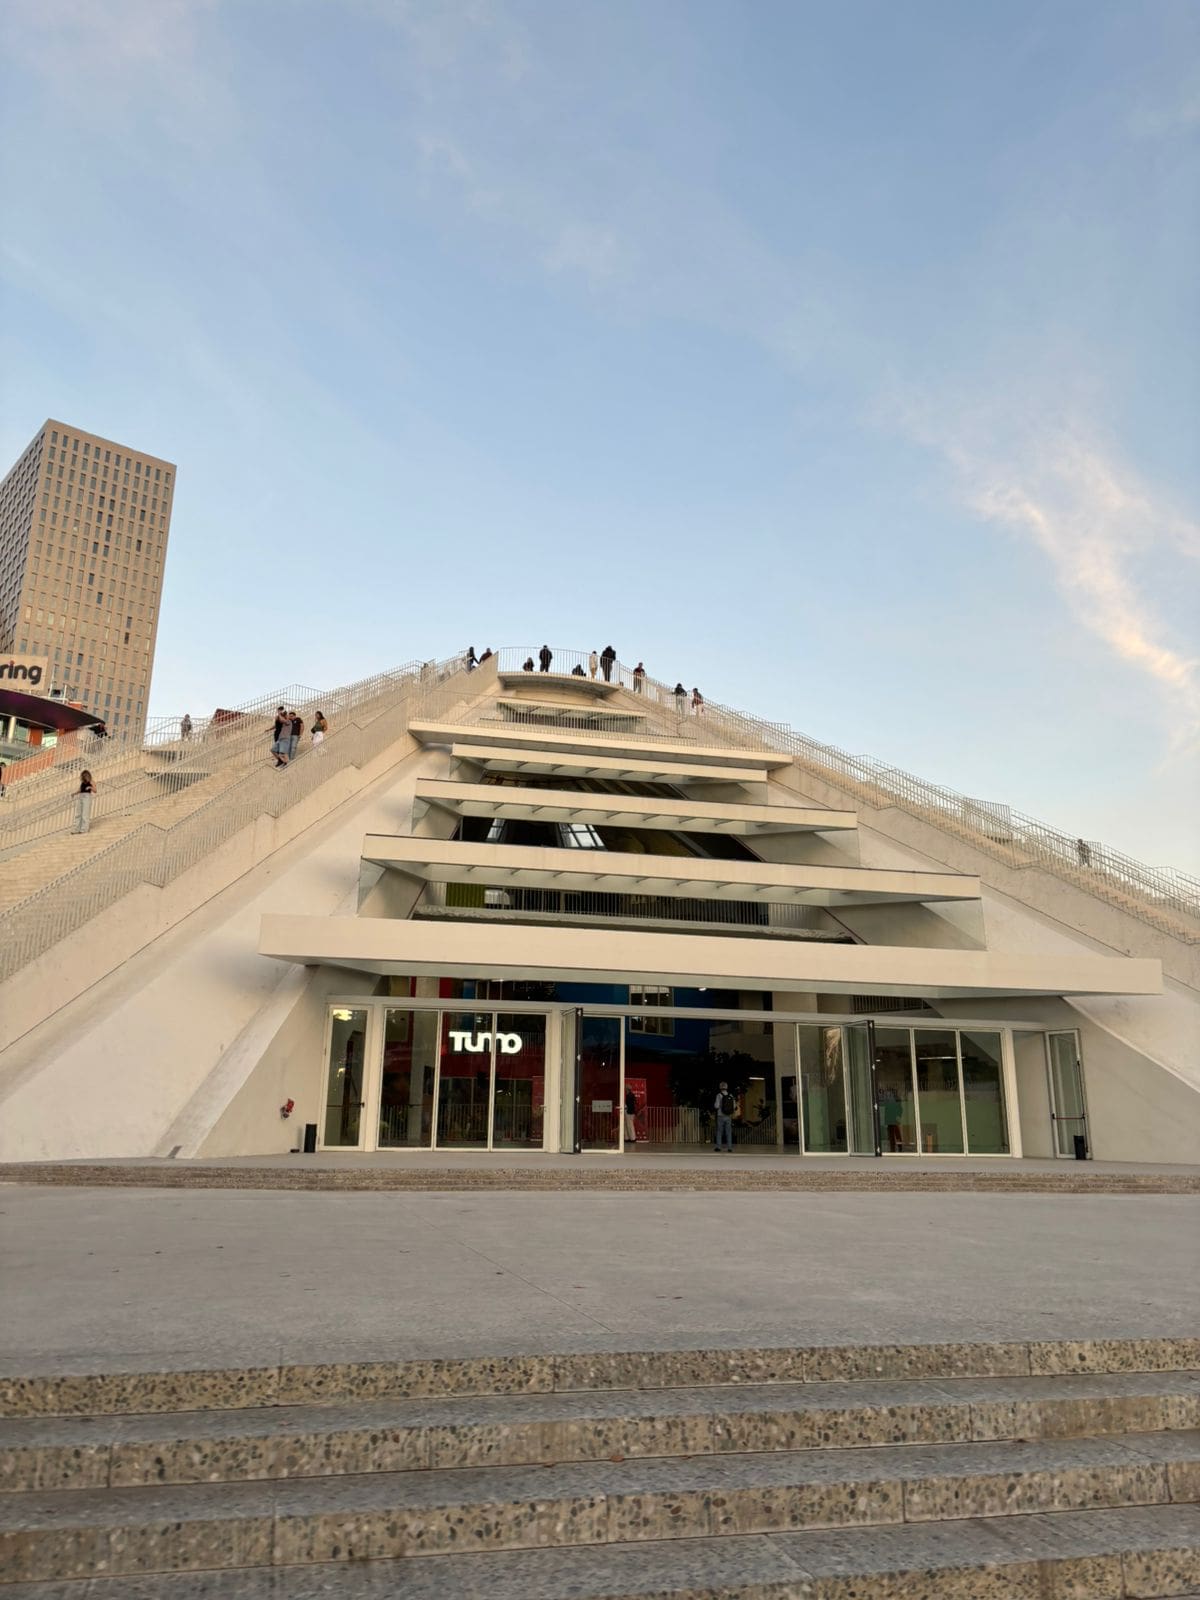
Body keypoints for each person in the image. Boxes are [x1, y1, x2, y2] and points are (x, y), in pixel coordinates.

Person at [714, 1081, 735, 1152]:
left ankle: (718, 1147)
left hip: (720, 1115)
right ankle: (730, 1148)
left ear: (720, 1087)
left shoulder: (719, 1095)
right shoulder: (731, 1095)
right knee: (728, 1132)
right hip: (728, 1116)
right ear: (726, 1087)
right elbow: (734, 1106)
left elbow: (716, 1106)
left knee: (719, 1131)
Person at [73, 770, 96, 834]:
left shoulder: (91, 781)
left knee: (85, 813)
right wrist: (74, 793)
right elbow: (80, 790)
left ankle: (84, 829)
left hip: (87, 797)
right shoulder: (82, 782)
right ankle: (76, 829)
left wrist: (90, 787)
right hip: (81, 796)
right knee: (78, 813)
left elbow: (95, 790)